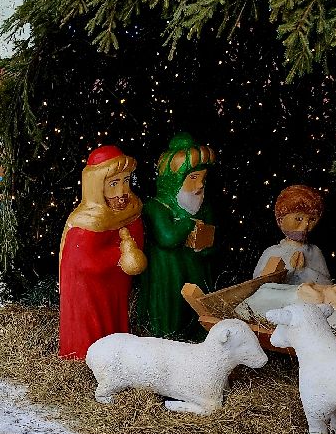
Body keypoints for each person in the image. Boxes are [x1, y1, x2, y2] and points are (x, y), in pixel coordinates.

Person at [58, 145, 147, 359]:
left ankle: (116, 350)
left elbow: (137, 241)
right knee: (93, 322)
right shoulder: (86, 222)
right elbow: (84, 262)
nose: (122, 191)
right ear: (97, 187)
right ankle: (86, 354)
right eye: (114, 184)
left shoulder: (131, 210)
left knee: (115, 316)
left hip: (115, 284)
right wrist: (119, 255)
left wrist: (131, 250)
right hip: (88, 289)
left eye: (126, 181)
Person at [135, 132, 217, 340]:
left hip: (196, 273)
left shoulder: (203, 206)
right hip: (169, 275)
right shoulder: (156, 208)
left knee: (197, 307)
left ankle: (198, 331)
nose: (200, 185)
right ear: (175, 180)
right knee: (171, 312)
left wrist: (205, 248)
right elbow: (167, 237)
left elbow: (212, 240)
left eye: (203, 178)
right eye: (193, 178)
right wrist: (188, 225)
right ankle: (168, 334)